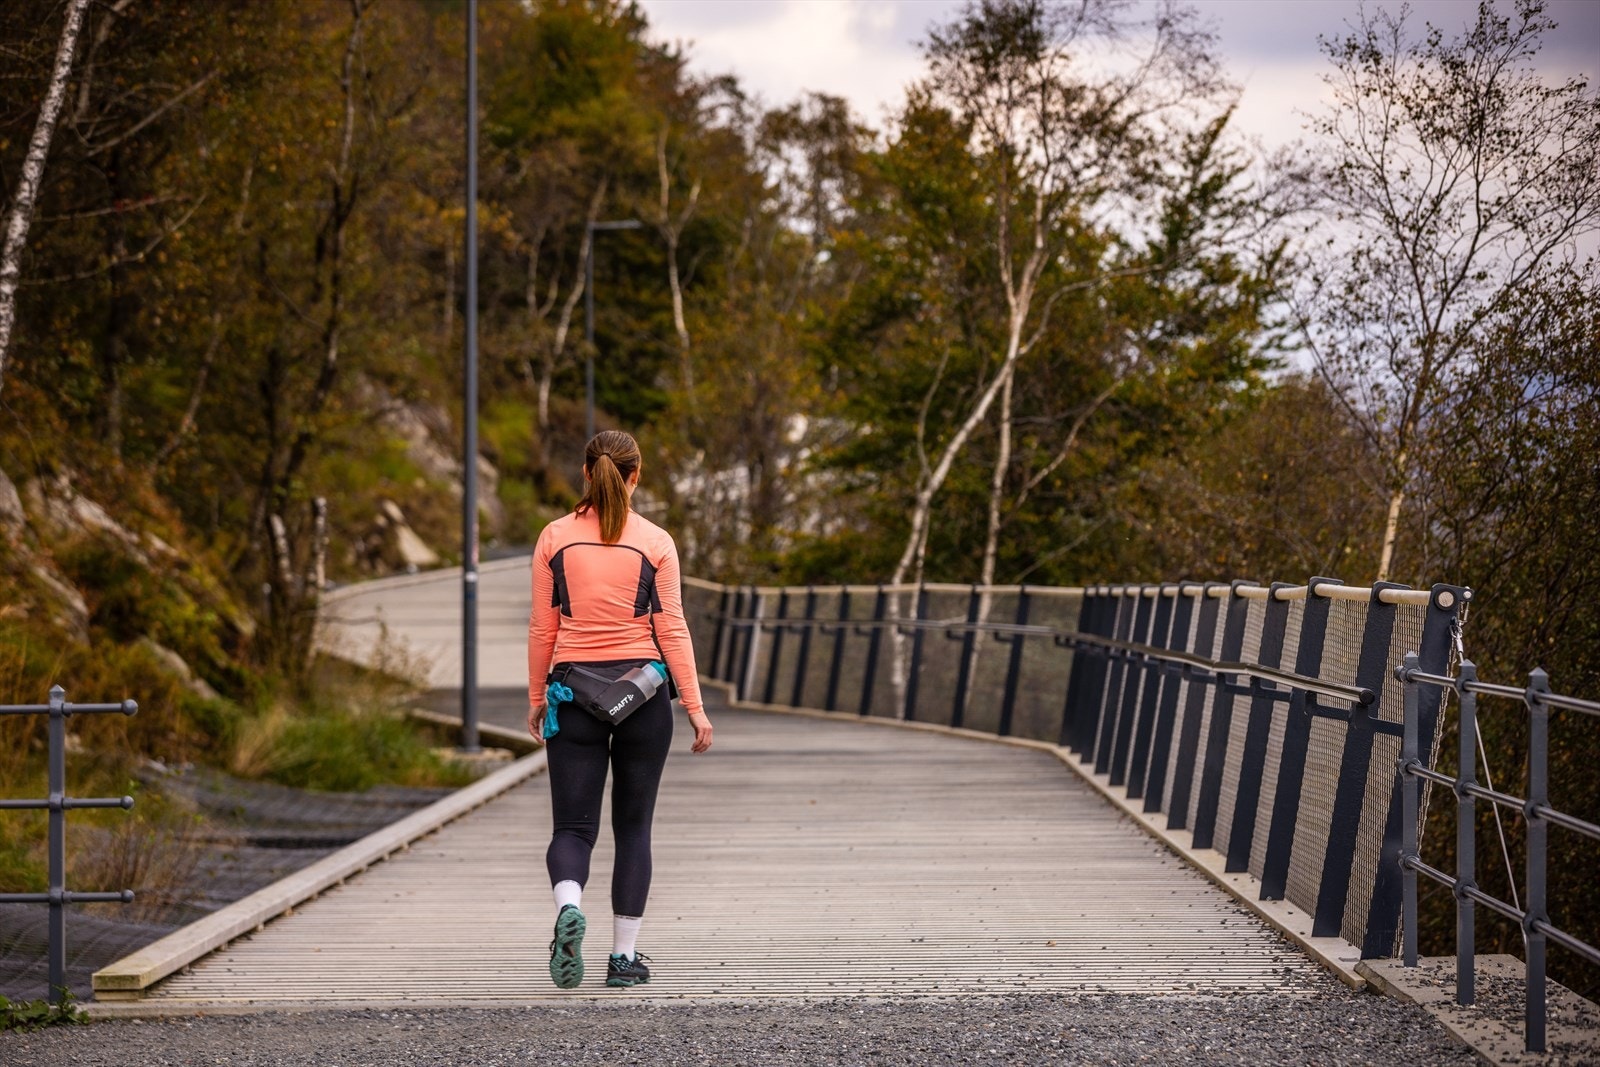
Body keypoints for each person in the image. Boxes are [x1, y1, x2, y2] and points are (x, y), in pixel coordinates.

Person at [526, 430, 713, 990]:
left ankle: (567, 907)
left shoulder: (554, 538)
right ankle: (623, 958)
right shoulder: (656, 541)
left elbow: (544, 627)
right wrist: (697, 709)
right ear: (635, 476)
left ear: (587, 473)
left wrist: (538, 698)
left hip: (572, 694)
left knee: (572, 828)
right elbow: (671, 629)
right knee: (633, 828)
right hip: (643, 697)